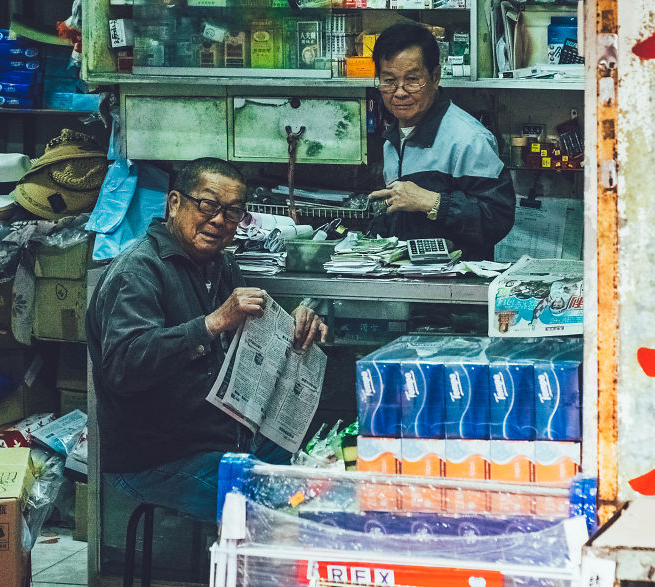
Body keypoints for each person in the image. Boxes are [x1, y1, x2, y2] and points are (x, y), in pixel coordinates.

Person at [86, 157, 327, 523]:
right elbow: (124, 366)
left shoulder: (221, 265)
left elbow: (248, 346)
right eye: (208, 205)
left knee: (320, 473)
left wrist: (294, 328)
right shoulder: (138, 271)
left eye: (232, 212)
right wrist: (211, 323)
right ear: (174, 203)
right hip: (159, 455)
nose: (219, 221)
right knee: (277, 509)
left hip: (224, 437)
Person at [367, 23, 516, 261]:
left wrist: (433, 203)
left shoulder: (469, 139)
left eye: (413, 80)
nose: (400, 92)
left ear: (435, 77)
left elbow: (497, 219)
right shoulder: (391, 140)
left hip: (454, 288)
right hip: (405, 282)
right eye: (389, 81)